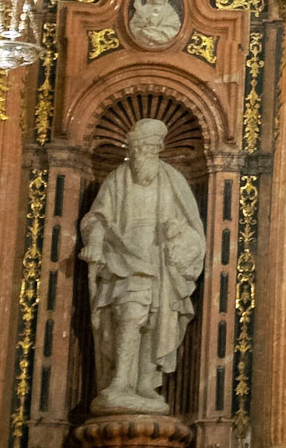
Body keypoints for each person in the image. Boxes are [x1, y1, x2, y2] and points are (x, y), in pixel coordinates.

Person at [79, 119, 207, 415]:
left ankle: (145, 383)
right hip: (124, 257)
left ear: (158, 149)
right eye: (138, 148)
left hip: (162, 261)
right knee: (130, 314)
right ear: (131, 149)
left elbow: (192, 229)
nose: (142, 154)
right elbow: (98, 217)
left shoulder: (173, 180)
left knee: (157, 320)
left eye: (149, 148)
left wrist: (178, 234)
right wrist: (96, 242)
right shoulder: (117, 179)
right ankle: (120, 381)